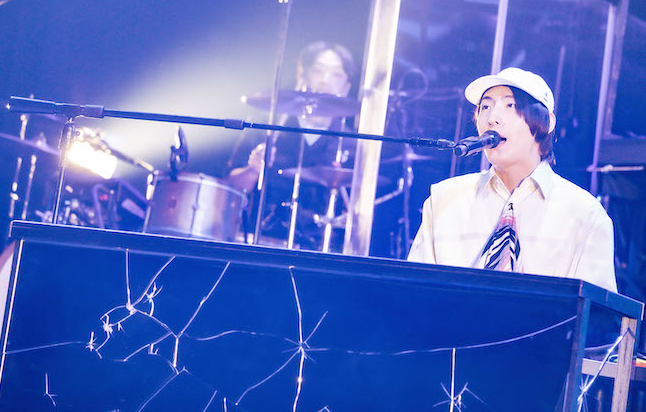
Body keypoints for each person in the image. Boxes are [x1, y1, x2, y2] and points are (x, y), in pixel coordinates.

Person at [407, 67, 618, 292]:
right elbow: (413, 293)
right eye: (485, 107)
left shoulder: (585, 216)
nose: (492, 119)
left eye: (511, 106)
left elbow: (596, 310)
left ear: (547, 122)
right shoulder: (444, 200)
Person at [227, 42, 357, 251]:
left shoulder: (351, 142)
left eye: (336, 74)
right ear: (302, 75)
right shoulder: (268, 126)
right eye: (318, 70)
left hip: (320, 252)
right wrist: (253, 170)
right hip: (260, 243)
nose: (325, 80)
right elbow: (229, 188)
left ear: (347, 87)